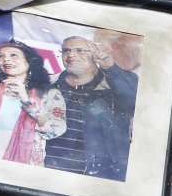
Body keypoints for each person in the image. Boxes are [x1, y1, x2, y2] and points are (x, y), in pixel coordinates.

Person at [44, 35, 139, 181]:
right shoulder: (48, 85)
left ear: (95, 55)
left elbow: (137, 102)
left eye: (80, 50)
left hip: (100, 176)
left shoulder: (115, 82)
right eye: (66, 50)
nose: (71, 54)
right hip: (50, 170)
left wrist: (111, 68)